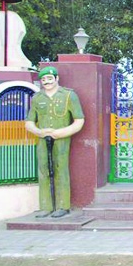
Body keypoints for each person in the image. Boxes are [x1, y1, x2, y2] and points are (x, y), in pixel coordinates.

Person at [25, 66, 84, 218]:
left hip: (61, 138)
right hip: (43, 138)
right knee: (43, 169)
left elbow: (79, 120)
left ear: (56, 79)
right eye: (43, 79)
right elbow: (29, 121)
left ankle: (63, 205)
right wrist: (39, 131)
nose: (47, 82)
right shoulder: (37, 98)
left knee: (60, 168)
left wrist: (62, 132)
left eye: (50, 79)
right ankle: (46, 206)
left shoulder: (69, 96)